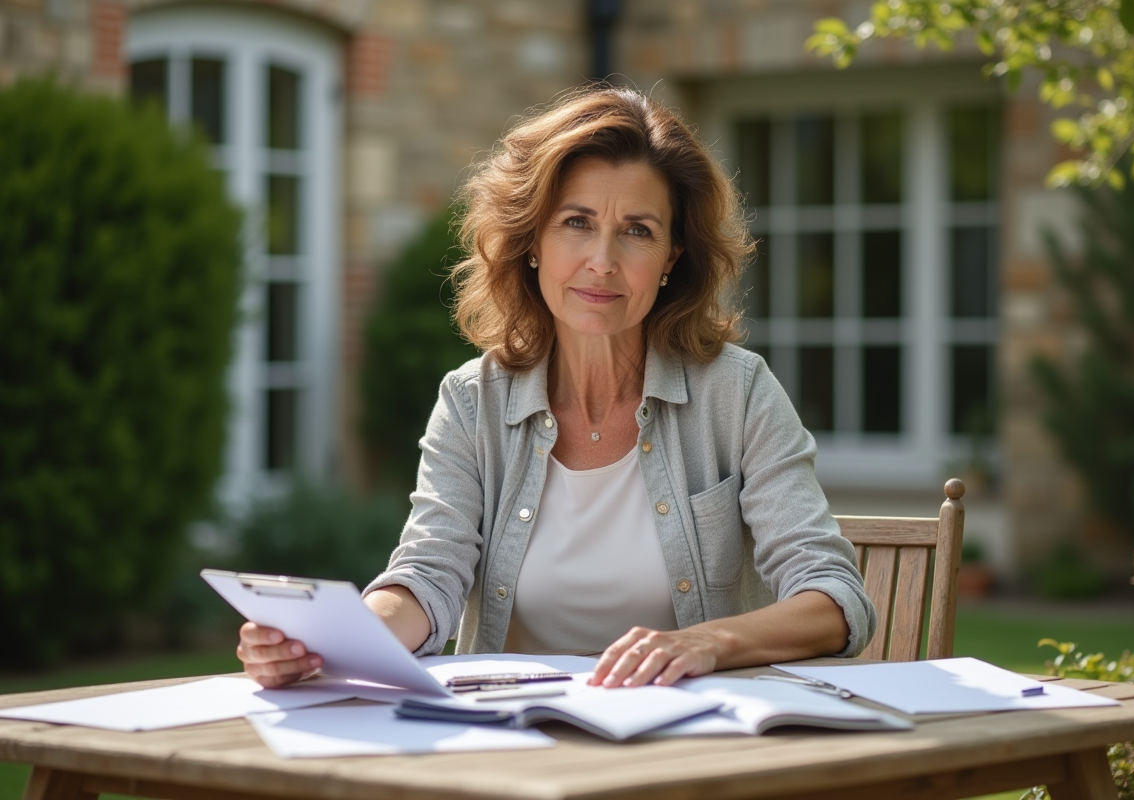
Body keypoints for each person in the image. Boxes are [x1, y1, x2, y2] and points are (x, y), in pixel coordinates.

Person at [237, 86, 876, 690]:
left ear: (673, 257)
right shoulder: (471, 401)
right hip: (515, 742)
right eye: (576, 222)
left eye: (637, 231)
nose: (602, 260)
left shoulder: (737, 394)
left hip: (689, 744)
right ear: (533, 239)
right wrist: (331, 641)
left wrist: (707, 642)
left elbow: (833, 597)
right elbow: (428, 577)